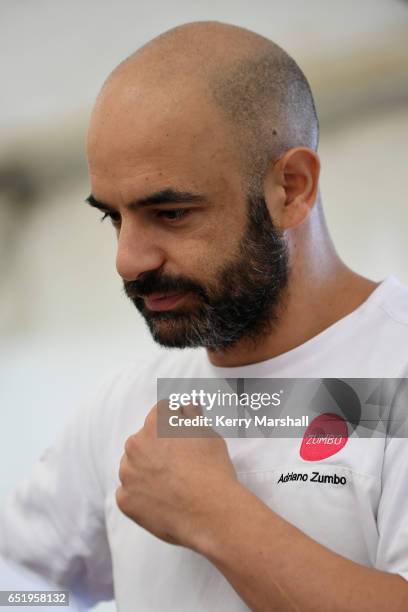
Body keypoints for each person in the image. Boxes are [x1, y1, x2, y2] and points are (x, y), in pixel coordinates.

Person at [1, 20, 408, 611]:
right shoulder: (126, 406)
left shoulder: (394, 374)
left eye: (170, 213)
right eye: (113, 217)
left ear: (291, 189)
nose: (128, 260)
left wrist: (216, 516)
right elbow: (17, 578)